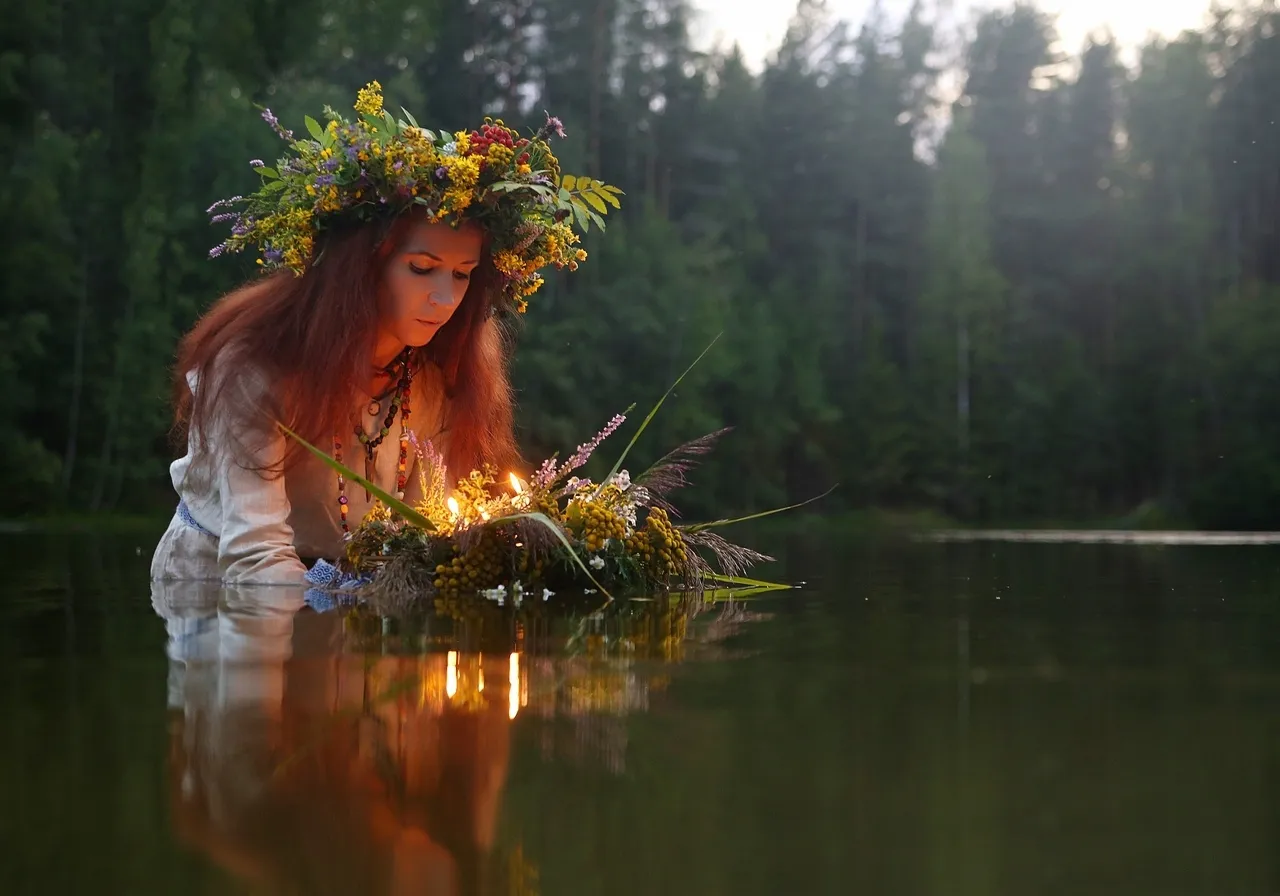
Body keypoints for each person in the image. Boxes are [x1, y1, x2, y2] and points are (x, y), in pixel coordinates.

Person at [151, 81, 619, 585]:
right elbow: (253, 557)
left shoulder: (433, 380)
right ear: (362, 268)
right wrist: (353, 597)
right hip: (222, 608)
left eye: (461, 275)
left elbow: (427, 539)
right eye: (422, 268)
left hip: (358, 630)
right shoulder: (256, 368)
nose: (445, 299)